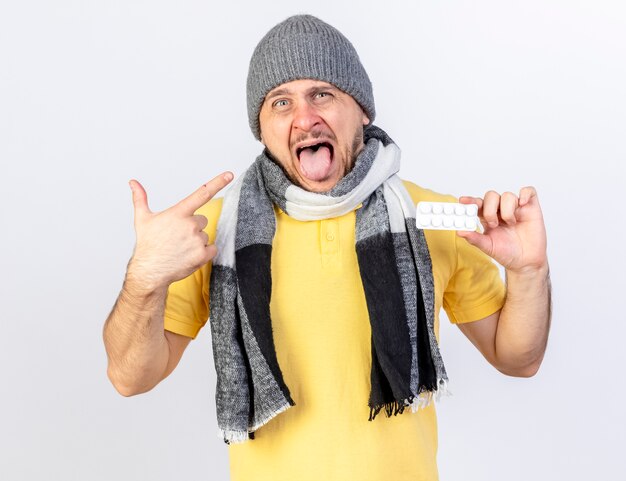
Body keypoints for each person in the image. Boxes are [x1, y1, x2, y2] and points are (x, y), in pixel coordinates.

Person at [103, 14, 551, 481]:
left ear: (362, 110)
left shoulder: (430, 218)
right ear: (261, 127)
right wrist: (144, 280)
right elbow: (129, 378)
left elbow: (518, 358)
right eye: (281, 102)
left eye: (322, 94)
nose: (304, 118)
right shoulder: (212, 234)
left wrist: (529, 270)